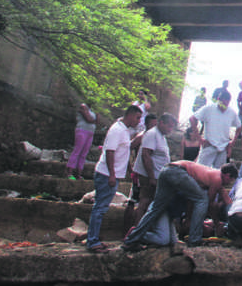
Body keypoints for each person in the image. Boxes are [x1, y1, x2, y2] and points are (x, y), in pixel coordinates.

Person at [123, 161, 238, 250]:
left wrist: (188, 218)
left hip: (166, 170)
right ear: (227, 175)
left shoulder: (207, 177)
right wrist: (217, 223)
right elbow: (208, 203)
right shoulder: (217, 178)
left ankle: (132, 239)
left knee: (156, 209)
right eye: (231, 180)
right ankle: (195, 240)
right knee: (202, 200)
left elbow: (195, 200)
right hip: (177, 171)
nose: (229, 183)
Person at [87, 105, 142, 252]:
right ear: (129, 115)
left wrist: (129, 167)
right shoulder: (117, 130)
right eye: (137, 117)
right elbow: (110, 152)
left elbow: (123, 151)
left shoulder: (124, 130)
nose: (138, 121)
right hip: (106, 174)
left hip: (113, 173)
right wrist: (112, 174)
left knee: (101, 208)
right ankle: (92, 241)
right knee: (100, 208)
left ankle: (94, 239)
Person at [132, 113, 177, 224]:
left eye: (172, 127)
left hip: (158, 174)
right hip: (149, 175)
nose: (170, 129)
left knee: (151, 202)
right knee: (145, 201)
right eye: (169, 126)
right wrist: (151, 177)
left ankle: (145, 228)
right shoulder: (152, 134)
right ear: (161, 123)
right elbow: (146, 155)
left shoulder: (161, 136)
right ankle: (137, 229)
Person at [192, 90, 242, 168]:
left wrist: (232, 142)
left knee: (218, 173)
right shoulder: (209, 108)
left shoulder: (231, 112)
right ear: (219, 100)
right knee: (201, 170)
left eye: (226, 103)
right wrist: (199, 138)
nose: (224, 105)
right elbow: (192, 119)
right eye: (223, 103)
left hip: (223, 148)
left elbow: (239, 127)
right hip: (209, 145)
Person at [66, 103, 97, 180]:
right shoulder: (83, 106)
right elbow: (88, 119)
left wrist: (95, 119)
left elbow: (96, 121)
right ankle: (69, 173)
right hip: (82, 130)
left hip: (90, 132)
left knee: (84, 153)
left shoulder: (92, 111)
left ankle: (79, 174)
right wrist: (94, 120)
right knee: (77, 150)